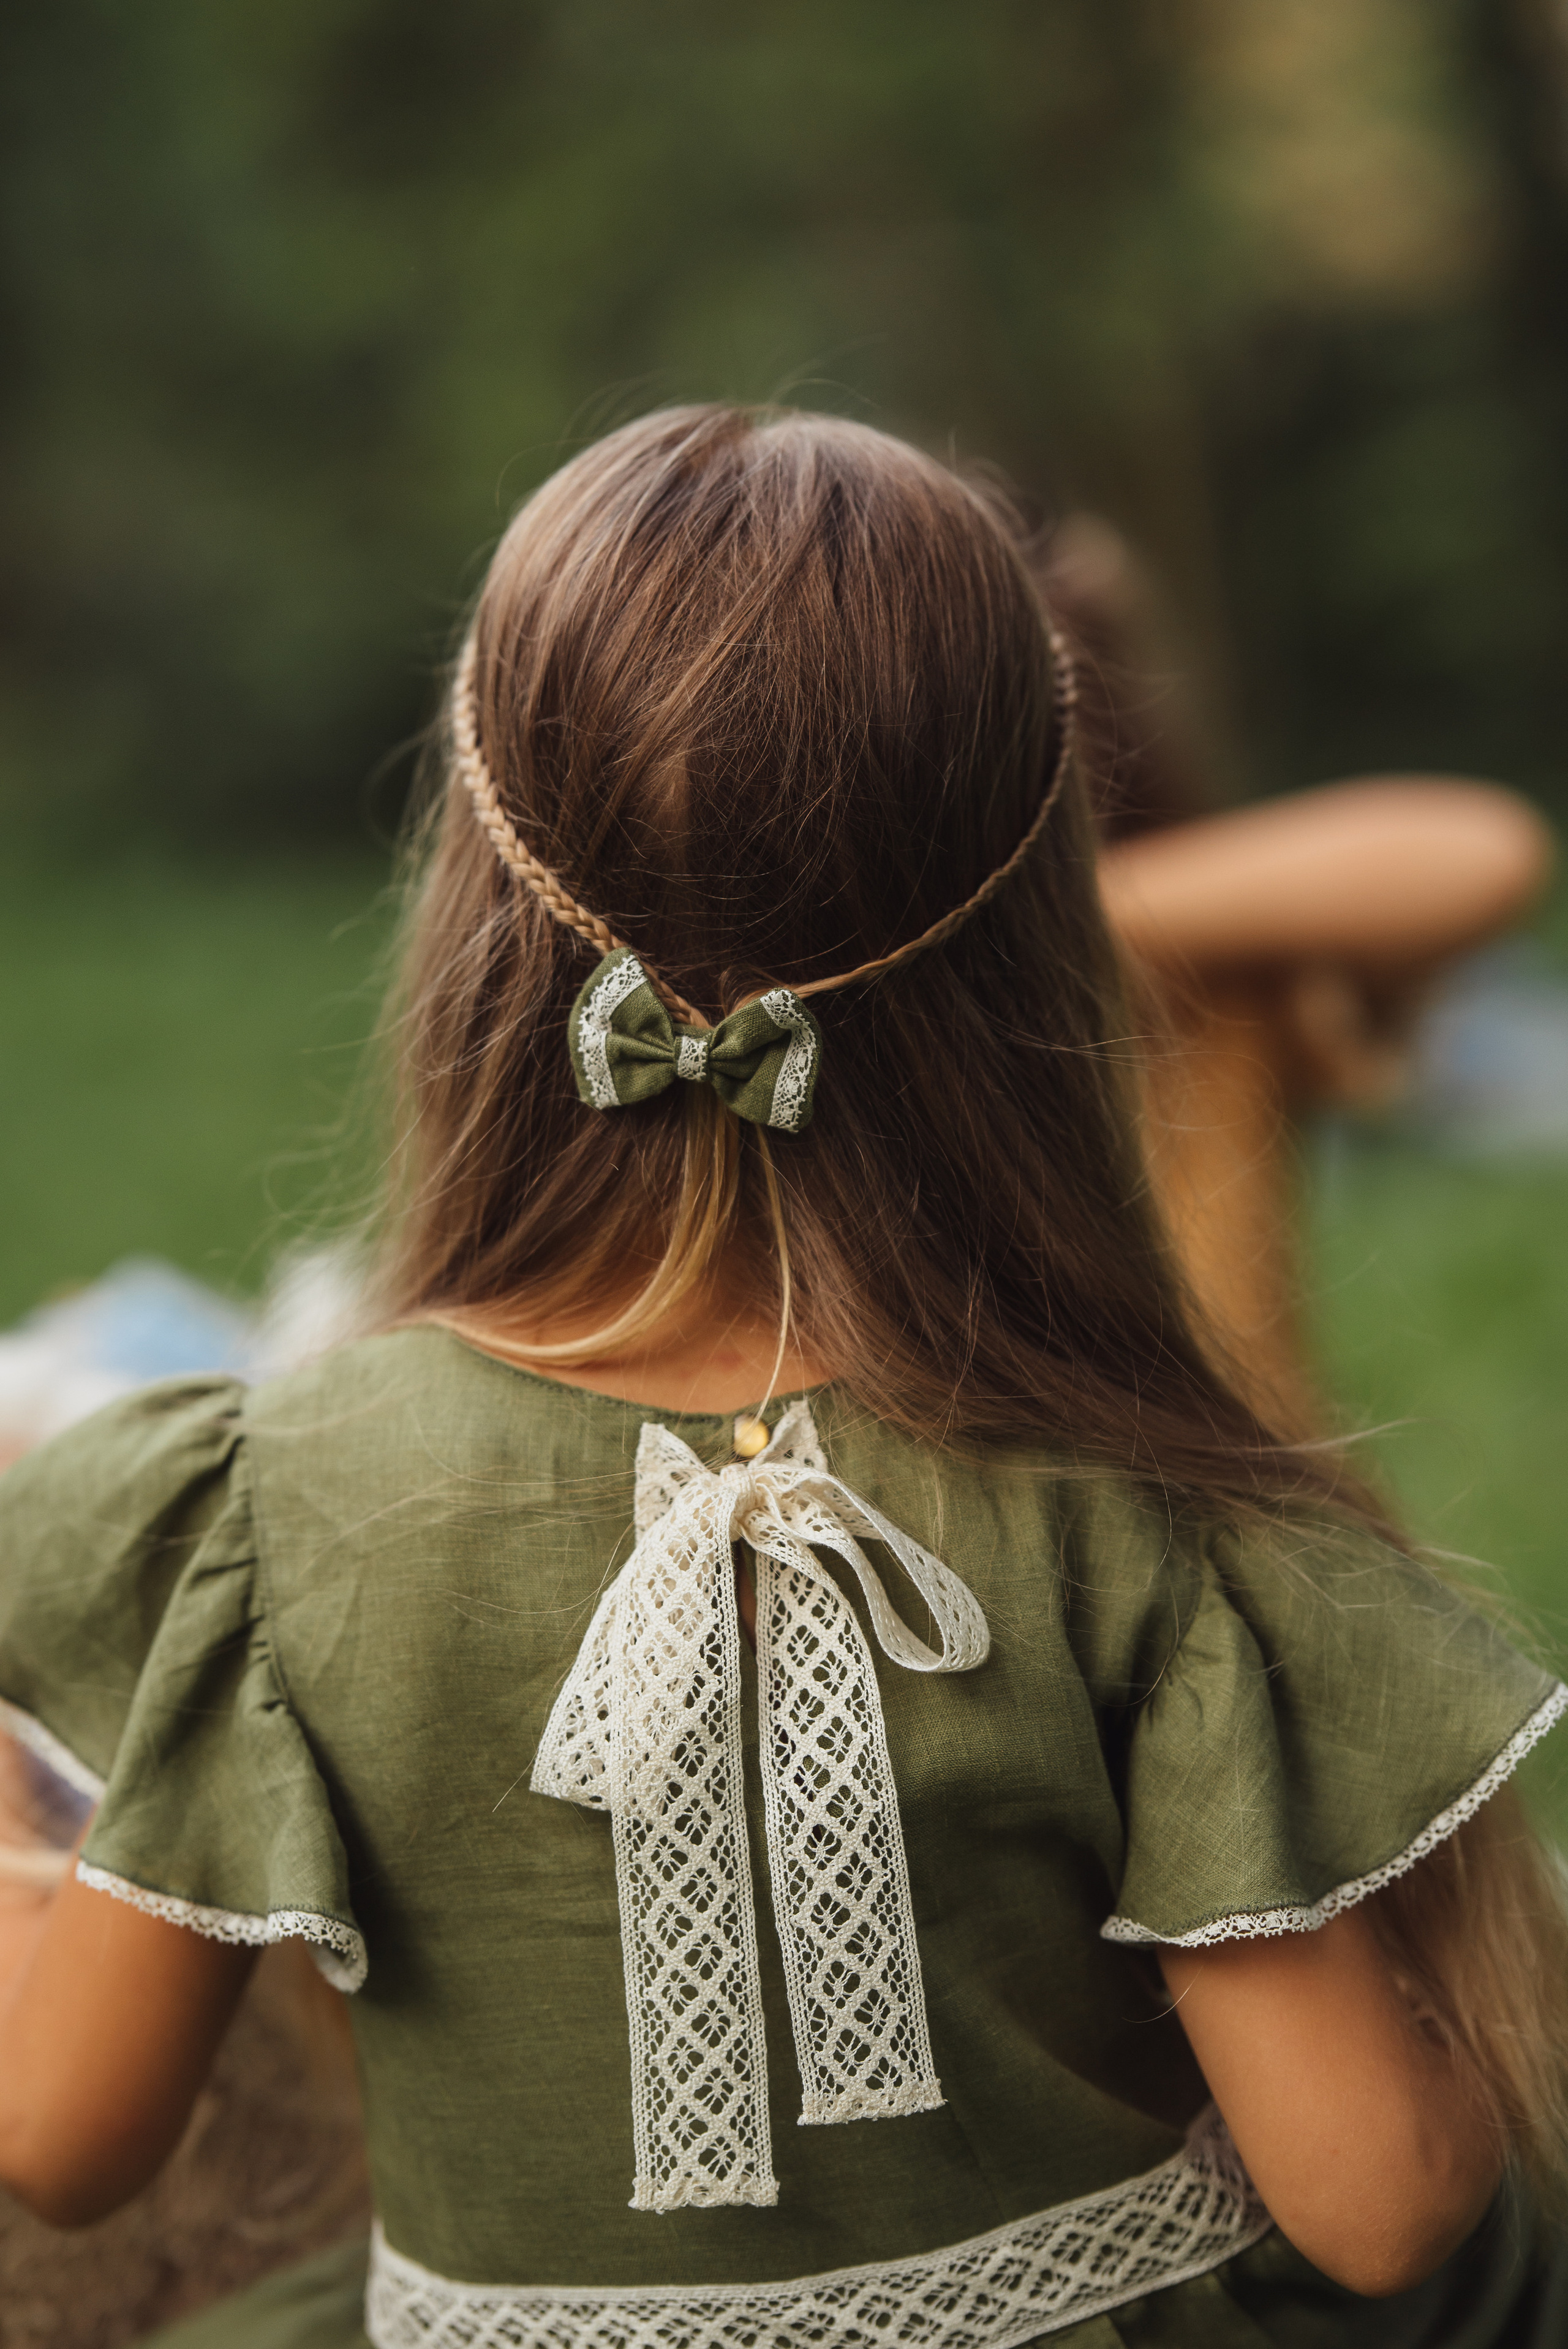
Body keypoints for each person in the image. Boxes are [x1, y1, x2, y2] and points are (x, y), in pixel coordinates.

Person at [0, 406, 1566, 2349]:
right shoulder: (1134, 1518)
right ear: (1028, 932)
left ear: (477, 912)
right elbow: (1384, 2202)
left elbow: (64, 2143)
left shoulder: (270, 1505)